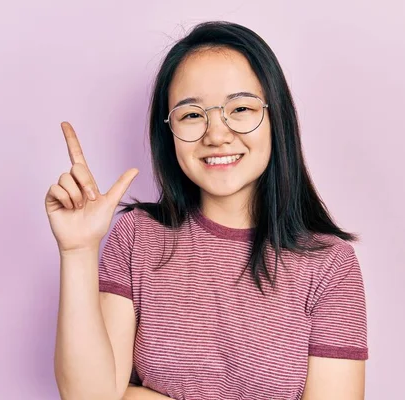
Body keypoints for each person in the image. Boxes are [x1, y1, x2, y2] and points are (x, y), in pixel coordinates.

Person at [46, 21, 369, 400]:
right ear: (169, 133)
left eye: (241, 108)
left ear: (275, 117)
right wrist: (78, 251)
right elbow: (91, 397)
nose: (216, 134)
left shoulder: (331, 264)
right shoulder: (136, 237)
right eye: (192, 115)